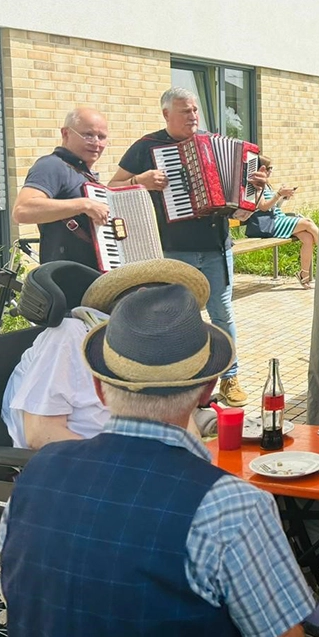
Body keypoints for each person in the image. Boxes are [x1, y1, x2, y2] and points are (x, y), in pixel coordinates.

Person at [0, 282, 319, 637]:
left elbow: (18, 593)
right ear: (207, 389)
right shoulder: (231, 505)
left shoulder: (33, 477)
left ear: (99, 388)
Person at [109, 87, 264, 407]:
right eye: (185, 111)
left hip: (215, 247)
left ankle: (229, 377)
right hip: (171, 249)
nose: (193, 116)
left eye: (195, 110)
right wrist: (142, 181)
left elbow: (244, 204)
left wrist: (254, 185)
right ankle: (177, 380)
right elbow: (110, 187)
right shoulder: (146, 147)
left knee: (222, 315)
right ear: (166, 114)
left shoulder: (213, 143)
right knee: (173, 316)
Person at [2, 258, 211, 450]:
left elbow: (182, 423)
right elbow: (40, 433)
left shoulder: (158, 345)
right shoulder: (70, 336)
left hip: (141, 461)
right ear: (140, 296)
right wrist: (122, 463)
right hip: (77, 471)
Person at [11, 107, 111, 269]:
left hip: (91, 279)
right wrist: (85, 205)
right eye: (88, 135)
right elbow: (22, 210)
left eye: (102, 137)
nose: (96, 143)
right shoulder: (51, 165)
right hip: (65, 280)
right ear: (66, 133)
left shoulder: (86, 176)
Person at [246, 155, 319, 288]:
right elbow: (263, 207)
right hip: (271, 224)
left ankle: (304, 276)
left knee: (308, 237)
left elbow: (274, 207)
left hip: (277, 219)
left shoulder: (266, 185)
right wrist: (278, 194)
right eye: (269, 168)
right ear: (261, 169)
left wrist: (283, 198)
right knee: (308, 222)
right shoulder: (256, 186)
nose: (270, 171)